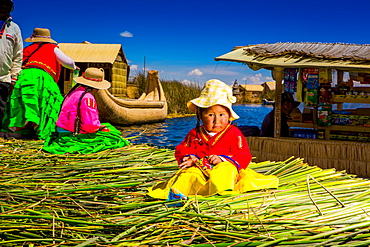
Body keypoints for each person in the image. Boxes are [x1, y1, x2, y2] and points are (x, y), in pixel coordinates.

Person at [147, 79, 279, 202]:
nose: (217, 120)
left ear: (229, 115)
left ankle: (222, 194)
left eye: (222, 115)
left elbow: (243, 155)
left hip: (226, 173)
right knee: (188, 174)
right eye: (210, 115)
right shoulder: (195, 133)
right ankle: (177, 195)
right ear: (200, 115)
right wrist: (190, 158)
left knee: (224, 171)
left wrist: (223, 159)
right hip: (201, 171)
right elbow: (183, 149)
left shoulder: (234, 133)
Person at [1, 27, 78, 139]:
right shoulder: (53, 48)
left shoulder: (27, 49)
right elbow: (68, 62)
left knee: (23, 102)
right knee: (44, 103)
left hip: (24, 76)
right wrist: (74, 67)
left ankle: (20, 128)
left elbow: (15, 61)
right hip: (42, 77)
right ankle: (40, 129)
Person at [42, 67, 130, 154]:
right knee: (113, 135)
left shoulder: (73, 92)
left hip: (61, 130)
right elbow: (89, 125)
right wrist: (99, 127)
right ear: (96, 87)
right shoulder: (88, 98)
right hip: (73, 134)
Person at [0, 0, 22, 129]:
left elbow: (17, 55)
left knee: (1, 110)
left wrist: (14, 77)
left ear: (11, 8)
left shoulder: (14, 28)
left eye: (6, 4)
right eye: (1, 3)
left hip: (3, 78)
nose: (3, 6)